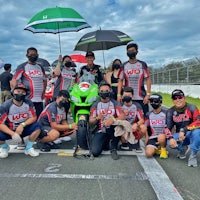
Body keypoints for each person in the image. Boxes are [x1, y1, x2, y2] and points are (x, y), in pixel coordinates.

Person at [0, 83, 40, 158]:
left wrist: (22, 125)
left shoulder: (28, 103)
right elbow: (0, 124)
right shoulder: (5, 106)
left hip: (23, 128)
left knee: (37, 126)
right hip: (10, 129)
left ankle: (29, 148)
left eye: (22, 92)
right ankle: (4, 147)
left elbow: (33, 117)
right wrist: (12, 133)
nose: (20, 93)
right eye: (18, 91)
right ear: (13, 92)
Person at [89, 81, 125, 160]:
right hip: (101, 129)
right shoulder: (95, 105)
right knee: (95, 152)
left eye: (106, 91)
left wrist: (113, 119)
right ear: (98, 92)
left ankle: (113, 148)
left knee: (119, 127)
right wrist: (97, 118)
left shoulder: (115, 103)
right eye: (102, 91)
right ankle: (105, 143)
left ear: (110, 92)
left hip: (113, 129)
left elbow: (122, 116)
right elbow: (91, 121)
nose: (104, 93)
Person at [165, 89, 200, 167]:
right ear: (172, 100)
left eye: (180, 97)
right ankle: (183, 148)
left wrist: (184, 130)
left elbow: (199, 121)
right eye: (175, 98)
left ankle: (193, 155)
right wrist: (170, 138)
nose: (178, 100)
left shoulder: (192, 107)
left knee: (198, 132)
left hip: (192, 133)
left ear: (184, 98)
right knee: (168, 143)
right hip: (180, 136)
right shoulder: (170, 112)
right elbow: (167, 128)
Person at [11, 47, 47, 118]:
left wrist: (44, 92)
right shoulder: (22, 66)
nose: (33, 55)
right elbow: (15, 80)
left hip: (39, 99)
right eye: (31, 54)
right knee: (29, 118)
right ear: (27, 55)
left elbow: (44, 80)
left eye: (35, 54)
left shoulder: (40, 67)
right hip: (27, 99)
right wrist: (14, 93)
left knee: (39, 118)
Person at [117, 43, 151, 117]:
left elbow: (148, 78)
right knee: (127, 117)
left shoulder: (142, 64)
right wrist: (119, 94)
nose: (131, 52)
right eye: (129, 51)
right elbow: (120, 80)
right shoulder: (123, 65)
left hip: (141, 96)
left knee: (144, 117)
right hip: (127, 97)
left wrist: (148, 94)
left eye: (132, 50)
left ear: (137, 51)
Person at [120, 87, 146, 152]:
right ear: (122, 96)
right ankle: (124, 143)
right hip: (124, 126)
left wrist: (136, 124)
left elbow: (142, 119)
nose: (127, 97)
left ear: (132, 96)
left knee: (143, 127)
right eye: (125, 95)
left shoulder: (137, 105)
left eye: (129, 96)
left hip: (133, 126)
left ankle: (136, 139)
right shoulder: (119, 106)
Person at [145, 94, 168, 159]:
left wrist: (168, 137)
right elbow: (147, 127)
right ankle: (157, 148)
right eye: (151, 101)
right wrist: (147, 138)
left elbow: (170, 127)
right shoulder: (148, 114)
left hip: (164, 136)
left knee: (161, 136)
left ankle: (163, 149)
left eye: (155, 101)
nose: (153, 103)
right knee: (148, 154)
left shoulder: (166, 113)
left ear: (160, 102)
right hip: (153, 136)